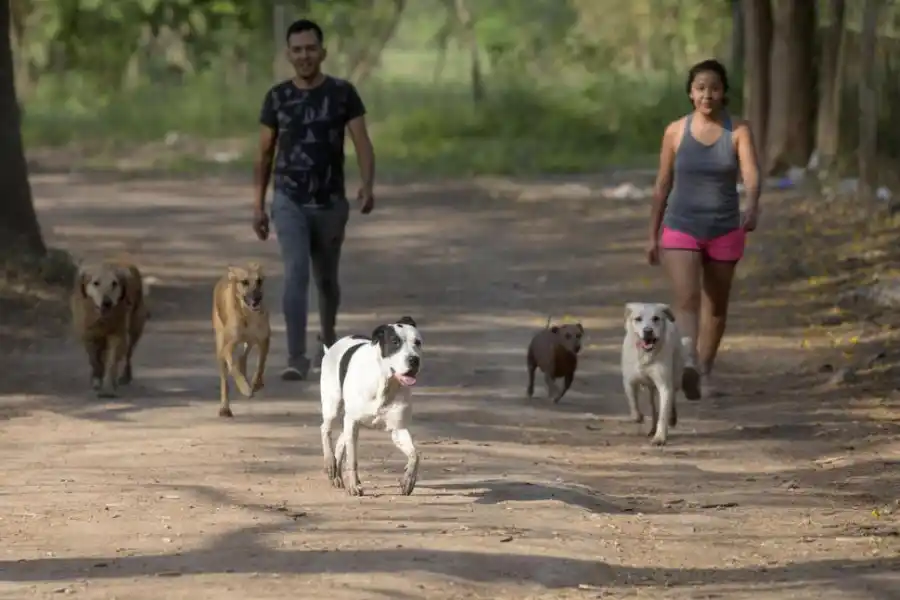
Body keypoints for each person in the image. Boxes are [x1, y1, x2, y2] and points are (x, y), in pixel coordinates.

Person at [253, 18, 376, 381]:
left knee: (326, 281)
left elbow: (362, 143)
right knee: (295, 274)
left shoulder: (343, 94)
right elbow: (263, 154)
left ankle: (328, 340)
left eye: (310, 48)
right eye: (297, 50)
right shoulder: (277, 98)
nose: (304, 55)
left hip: (330, 202)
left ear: (322, 52)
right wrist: (258, 205)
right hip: (288, 199)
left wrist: (367, 185)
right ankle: (296, 357)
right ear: (288, 54)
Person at [646, 59, 761, 400]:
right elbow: (662, 184)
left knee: (717, 305)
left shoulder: (738, 131)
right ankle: (690, 363)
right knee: (687, 299)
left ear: (724, 93)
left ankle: (706, 370)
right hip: (681, 226)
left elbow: (751, 174)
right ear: (690, 94)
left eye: (714, 88)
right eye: (700, 88)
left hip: (725, 227)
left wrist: (753, 204)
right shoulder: (675, 131)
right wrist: (652, 234)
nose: (707, 94)